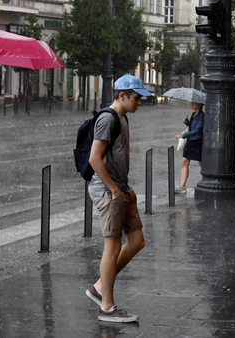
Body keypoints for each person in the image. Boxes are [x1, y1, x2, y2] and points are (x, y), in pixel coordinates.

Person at [85, 74, 150, 323]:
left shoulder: (122, 117)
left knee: (137, 241)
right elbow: (94, 158)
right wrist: (113, 189)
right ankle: (107, 307)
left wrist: (121, 189)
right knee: (111, 248)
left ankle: (100, 287)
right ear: (121, 95)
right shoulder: (107, 119)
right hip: (108, 190)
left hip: (121, 189)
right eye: (136, 98)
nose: (139, 103)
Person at [174, 101, 204, 194]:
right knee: (185, 161)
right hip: (190, 140)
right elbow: (191, 127)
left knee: (201, 162)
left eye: (194, 103)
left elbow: (197, 130)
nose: (192, 104)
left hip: (197, 141)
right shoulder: (193, 114)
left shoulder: (202, 116)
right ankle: (182, 186)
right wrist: (187, 122)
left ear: (199, 105)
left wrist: (183, 136)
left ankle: (207, 179)